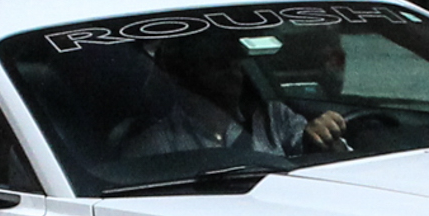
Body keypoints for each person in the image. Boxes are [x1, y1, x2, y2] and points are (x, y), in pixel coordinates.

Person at [127, 32, 347, 158]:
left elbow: (326, 157)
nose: (232, 71)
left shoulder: (274, 118)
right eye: (217, 64)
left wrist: (323, 139)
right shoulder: (156, 145)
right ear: (187, 76)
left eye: (234, 61)